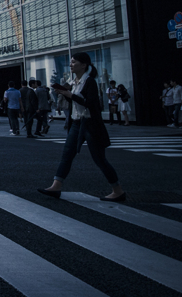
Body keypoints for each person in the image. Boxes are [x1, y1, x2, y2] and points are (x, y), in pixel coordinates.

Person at [39, 52, 125, 202]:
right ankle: (56, 186)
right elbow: (75, 103)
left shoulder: (89, 81)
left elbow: (92, 104)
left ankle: (117, 190)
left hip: (90, 124)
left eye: (73, 62)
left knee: (99, 159)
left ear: (84, 65)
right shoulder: (73, 82)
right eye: (71, 62)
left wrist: (70, 95)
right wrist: (65, 93)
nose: (71, 64)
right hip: (76, 122)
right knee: (67, 155)